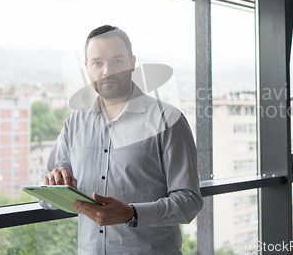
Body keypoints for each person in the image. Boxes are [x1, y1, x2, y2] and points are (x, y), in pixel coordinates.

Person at [40, 25, 203, 255]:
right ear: (87, 69)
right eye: (98, 63)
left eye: (117, 61)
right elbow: (47, 199)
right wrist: (52, 184)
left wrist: (131, 213)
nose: (108, 71)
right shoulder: (74, 124)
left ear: (132, 62)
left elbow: (189, 202)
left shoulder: (168, 120)